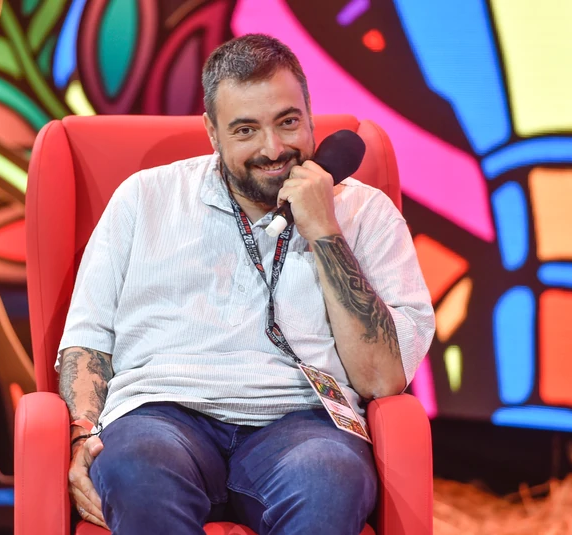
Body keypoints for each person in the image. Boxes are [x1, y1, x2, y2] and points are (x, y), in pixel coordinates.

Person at [56, 33, 435, 534]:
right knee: (134, 469)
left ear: (310, 116)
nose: (273, 149)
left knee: (332, 478)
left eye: (288, 122)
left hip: (305, 422)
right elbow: (88, 341)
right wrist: (82, 437)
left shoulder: (365, 212)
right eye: (245, 130)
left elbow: (382, 380)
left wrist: (324, 231)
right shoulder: (144, 198)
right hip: (162, 414)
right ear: (212, 132)